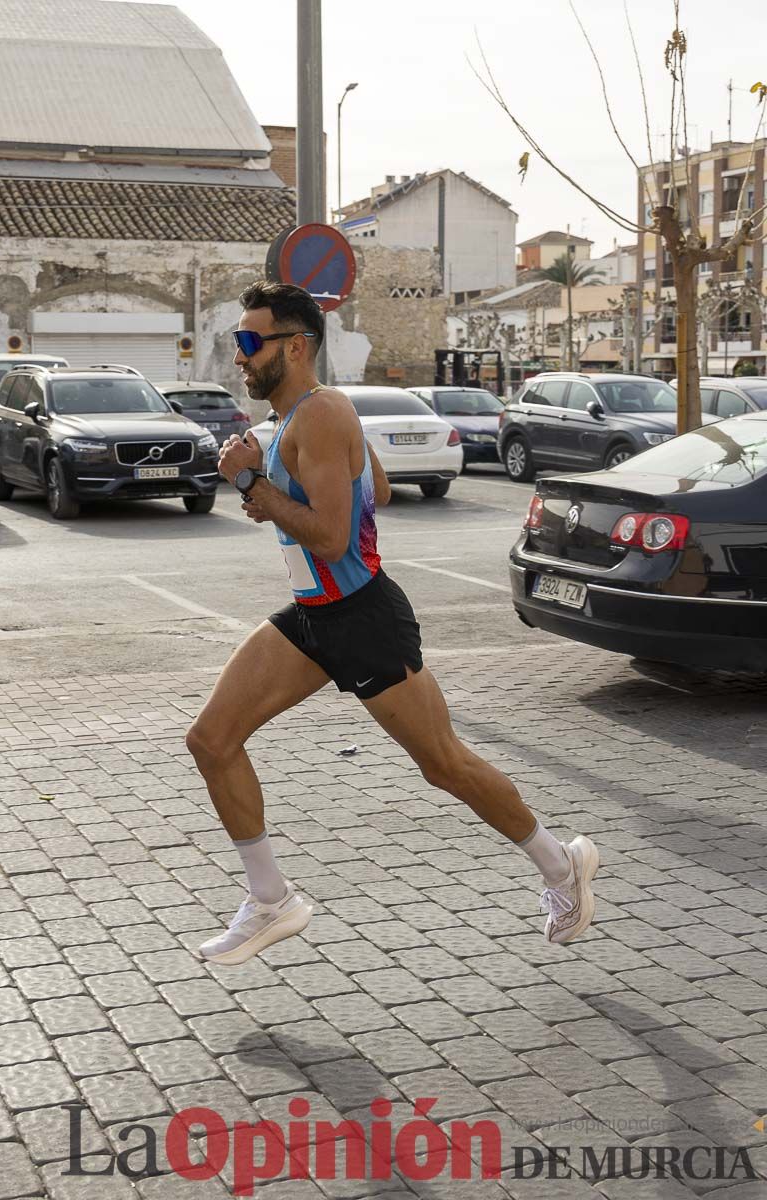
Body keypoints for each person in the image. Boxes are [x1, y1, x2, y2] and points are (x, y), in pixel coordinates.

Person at [186, 281, 599, 965]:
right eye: (237, 341)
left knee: (446, 766)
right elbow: (373, 489)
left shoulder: (319, 415)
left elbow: (328, 538)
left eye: (249, 342)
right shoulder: (303, 418)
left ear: (294, 347)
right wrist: (282, 485)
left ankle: (563, 868)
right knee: (211, 739)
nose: (239, 356)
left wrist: (251, 486)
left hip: (363, 619)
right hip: (314, 618)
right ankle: (269, 900)